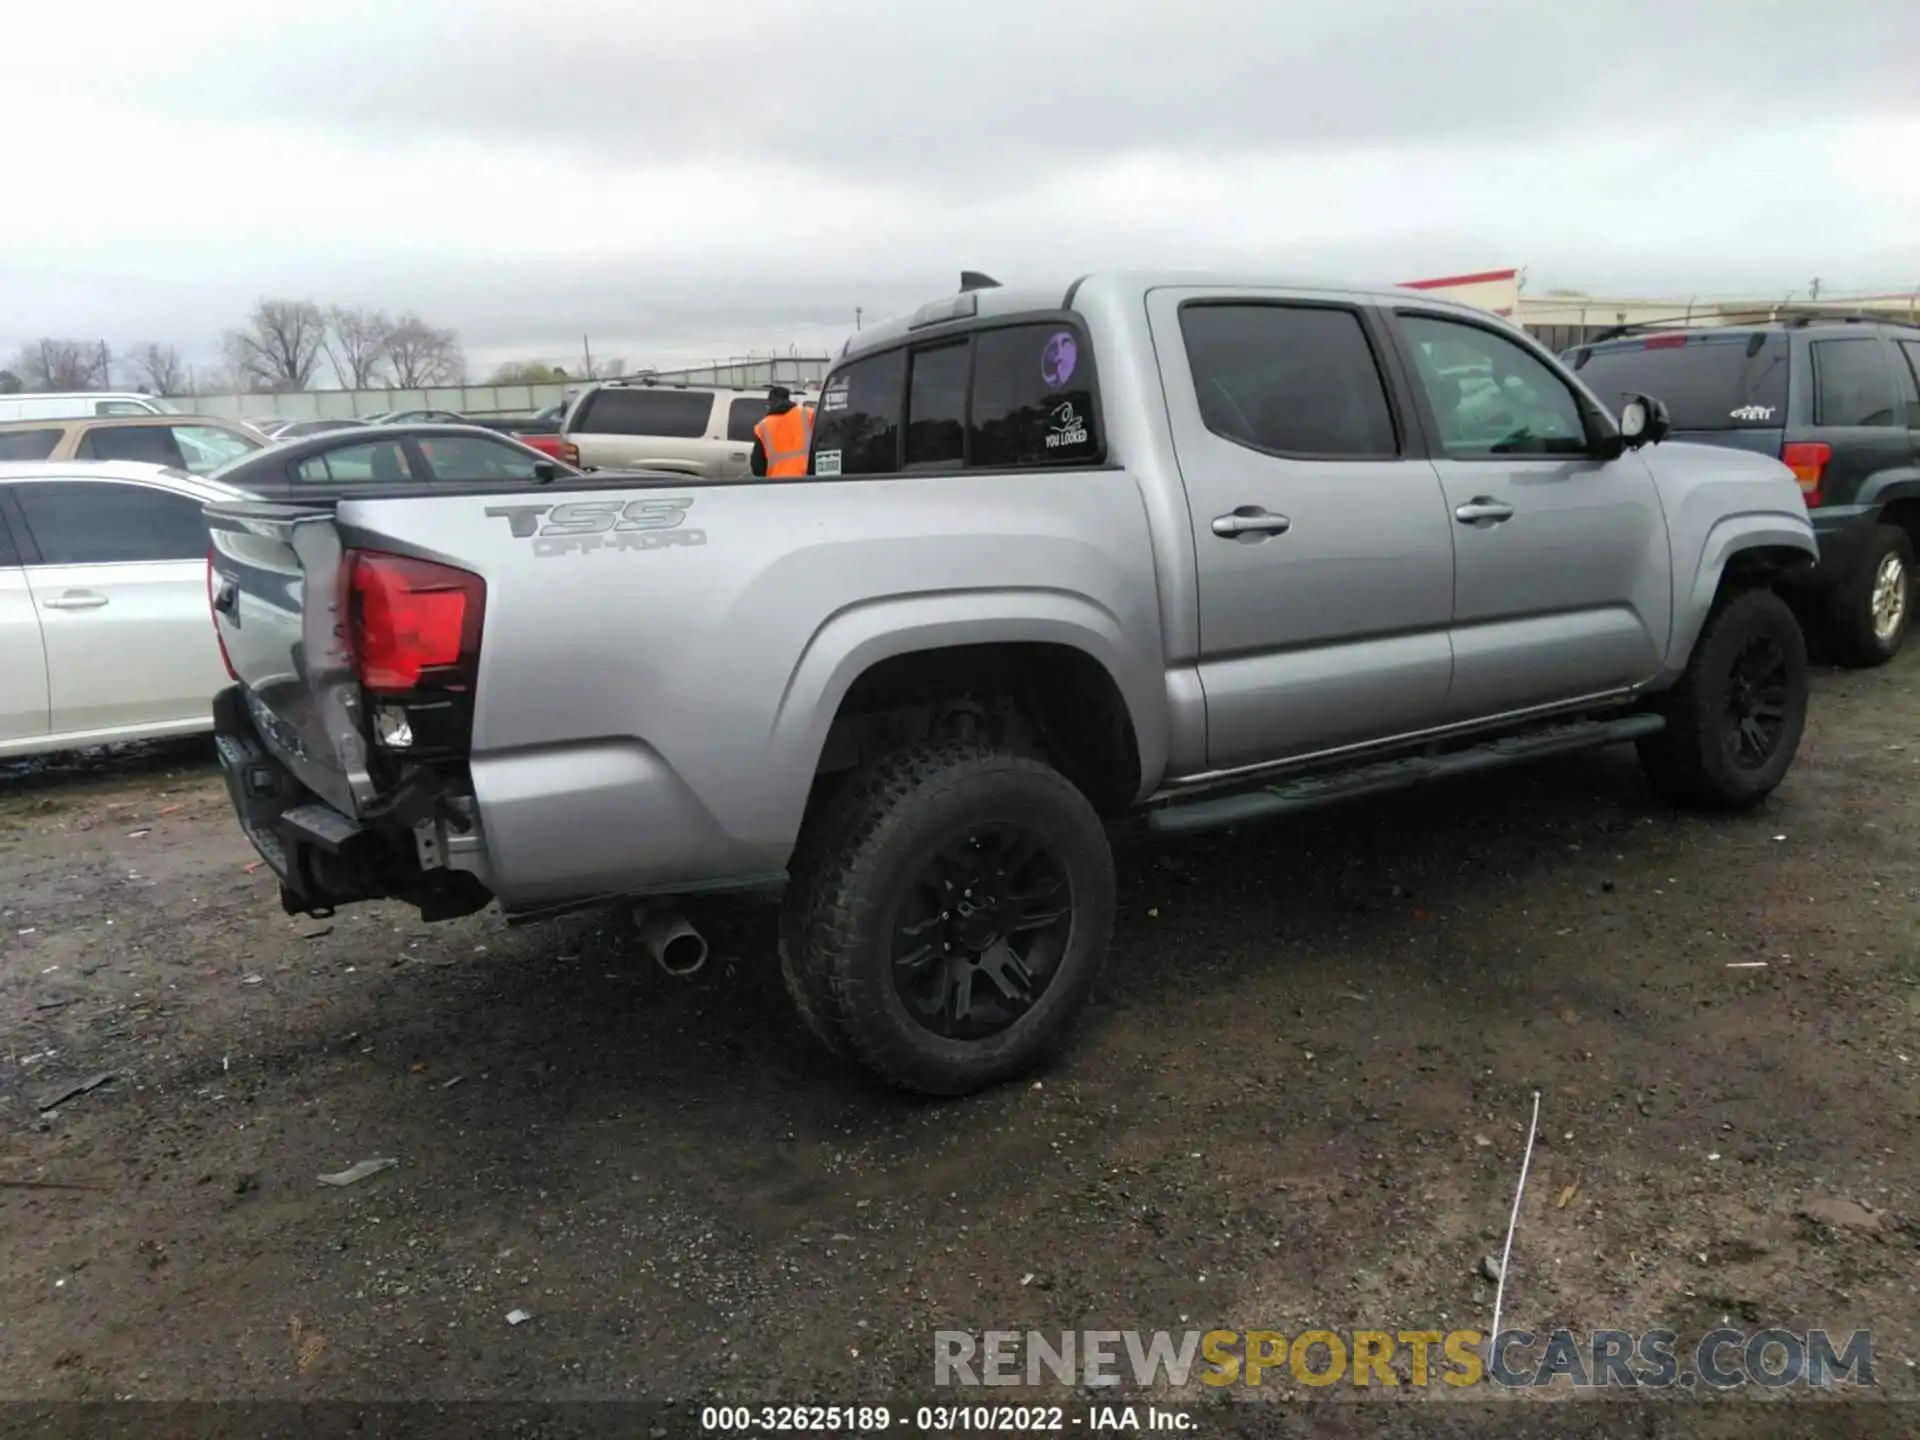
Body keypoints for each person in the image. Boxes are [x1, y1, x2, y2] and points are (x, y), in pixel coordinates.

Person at [750, 385, 815, 478]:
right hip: (807, 481)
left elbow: (757, 468)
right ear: (788, 399)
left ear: (770, 403)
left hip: (778, 484)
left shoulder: (764, 426)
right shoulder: (808, 414)